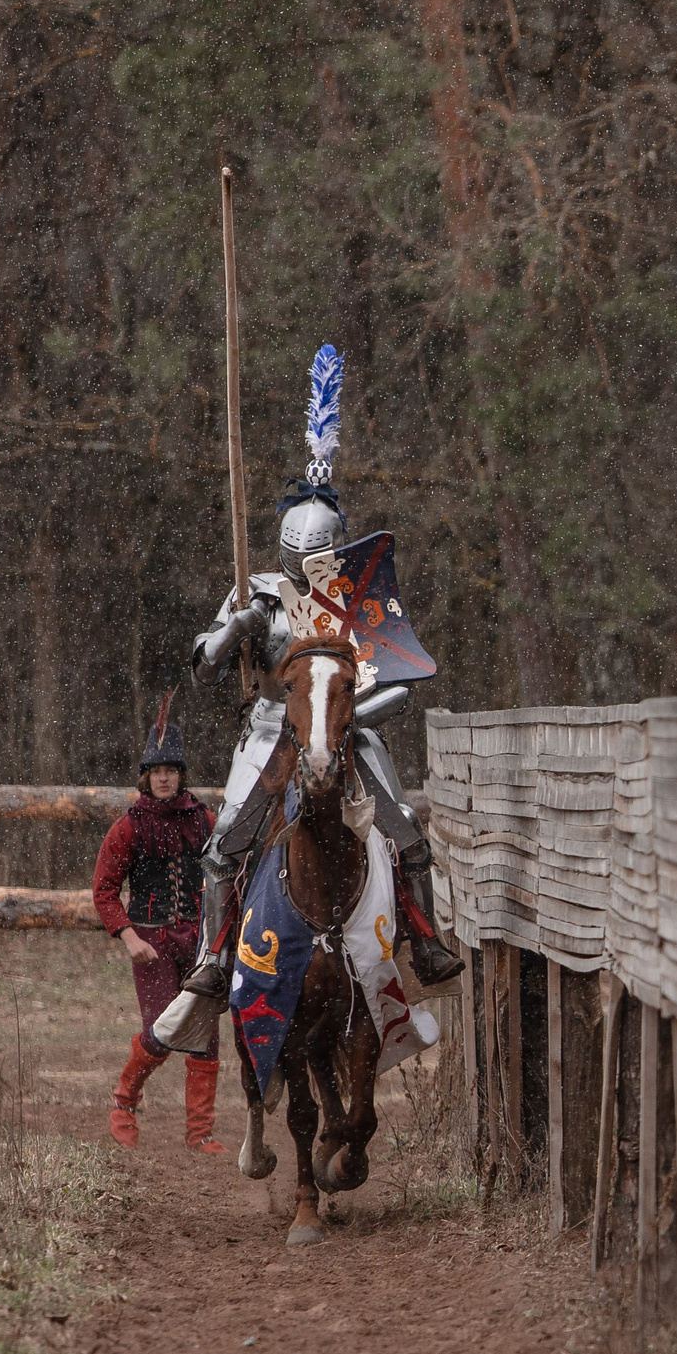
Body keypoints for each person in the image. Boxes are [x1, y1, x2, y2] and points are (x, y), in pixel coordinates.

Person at [152, 345, 465, 1056]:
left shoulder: (359, 598)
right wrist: (235, 625)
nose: (311, 569)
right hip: (271, 732)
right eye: (304, 560)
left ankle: (425, 942)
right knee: (226, 839)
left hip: (351, 734)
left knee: (406, 826)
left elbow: (400, 687)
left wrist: (347, 715)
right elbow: (201, 666)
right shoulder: (258, 591)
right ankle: (211, 961)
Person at [94, 700, 223, 1151]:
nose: (163, 777)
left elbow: (228, 879)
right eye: (156, 770)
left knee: (205, 1033)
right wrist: (128, 937)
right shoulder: (128, 828)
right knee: (161, 1033)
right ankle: (123, 1102)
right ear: (145, 776)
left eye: (171, 769)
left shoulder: (206, 821)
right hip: (150, 940)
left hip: (200, 941)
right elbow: (105, 890)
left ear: (181, 774)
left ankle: (200, 1134)